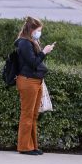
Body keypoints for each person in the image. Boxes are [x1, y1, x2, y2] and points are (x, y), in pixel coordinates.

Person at [15, 16, 55, 155]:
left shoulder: (32, 41)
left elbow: (35, 61)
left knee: (33, 115)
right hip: (28, 81)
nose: (39, 32)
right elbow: (33, 62)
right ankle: (24, 147)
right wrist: (44, 52)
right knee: (27, 114)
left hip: (35, 81)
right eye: (38, 30)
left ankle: (32, 145)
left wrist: (43, 51)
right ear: (31, 29)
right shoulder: (24, 43)